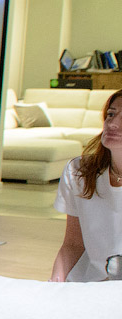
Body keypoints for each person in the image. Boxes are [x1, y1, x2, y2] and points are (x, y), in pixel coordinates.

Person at [51, 88, 122, 282]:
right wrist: (54, 284)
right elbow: (73, 244)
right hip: (88, 286)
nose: (112, 124)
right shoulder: (79, 171)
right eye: (111, 114)